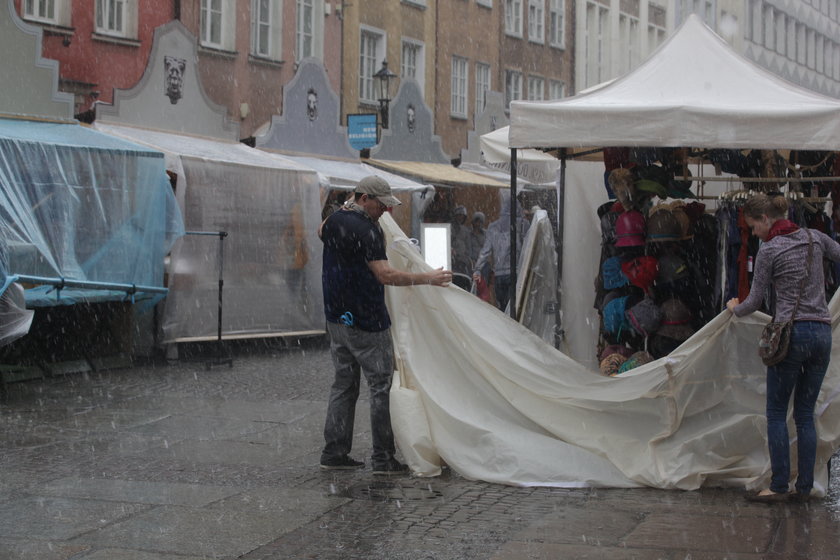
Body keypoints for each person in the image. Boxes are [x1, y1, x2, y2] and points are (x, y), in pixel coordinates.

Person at [318, 175, 452, 475]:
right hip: (366, 318)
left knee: (344, 384)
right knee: (381, 386)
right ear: (364, 198)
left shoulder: (335, 219)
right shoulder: (368, 230)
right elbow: (385, 275)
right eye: (381, 205)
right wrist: (428, 279)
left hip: (336, 316)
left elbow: (320, 231)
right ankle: (382, 458)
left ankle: (334, 451)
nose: (385, 211)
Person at [726, 193, 840, 502]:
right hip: (822, 332)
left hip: (790, 335)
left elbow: (755, 301)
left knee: (776, 412)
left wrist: (734, 307)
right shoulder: (815, 238)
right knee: (804, 414)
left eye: (754, 227)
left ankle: (778, 486)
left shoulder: (770, 250)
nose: (754, 233)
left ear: (765, 219)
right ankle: (804, 487)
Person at [472, 193, 527, 311]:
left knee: (502, 309)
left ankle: (504, 328)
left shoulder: (493, 227)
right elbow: (526, 248)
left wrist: (477, 269)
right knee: (515, 310)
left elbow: (485, 251)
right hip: (515, 273)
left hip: (499, 275)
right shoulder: (521, 224)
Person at [451, 205, 471, 290]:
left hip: (463, 261)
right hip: (452, 261)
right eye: (459, 215)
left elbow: (469, 246)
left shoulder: (466, 231)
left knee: (463, 281)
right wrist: (451, 249)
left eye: (462, 216)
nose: (460, 218)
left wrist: (467, 257)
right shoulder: (450, 228)